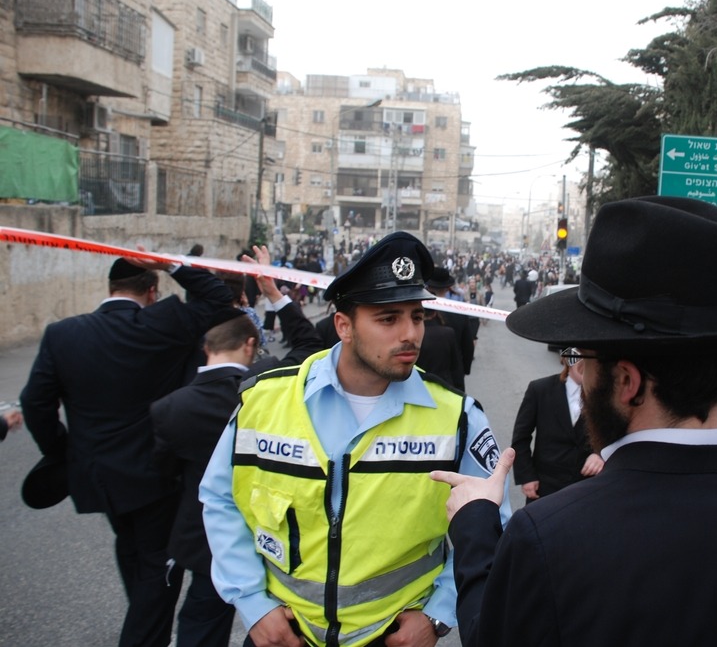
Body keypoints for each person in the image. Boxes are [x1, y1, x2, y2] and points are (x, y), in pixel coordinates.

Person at [430, 196, 717, 647]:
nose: (582, 375)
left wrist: (476, 524)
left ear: (627, 381)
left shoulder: (549, 538)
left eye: (586, 361)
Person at [200, 231, 511, 647]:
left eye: (416, 316)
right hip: (284, 635)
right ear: (343, 326)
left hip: (393, 639)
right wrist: (254, 604)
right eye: (389, 319)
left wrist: (438, 615)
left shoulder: (457, 418)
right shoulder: (265, 401)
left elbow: (496, 528)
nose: (410, 334)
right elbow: (220, 499)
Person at [20, 255, 233, 647]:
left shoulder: (62, 334)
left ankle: (145, 624)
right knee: (156, 564)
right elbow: (219, 298)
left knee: (133, 550)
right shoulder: (162, 323)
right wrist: (171, 265)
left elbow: (35, 402)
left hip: (97, 477)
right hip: (155, 474)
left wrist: (61, 450)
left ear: (109, 290)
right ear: (151, 291)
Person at [150, 246, 323, 647]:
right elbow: (309, 346)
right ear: (249, 345)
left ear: (205, 348)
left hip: (205, 535)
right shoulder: (265, 385)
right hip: (273, 530)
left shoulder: (169, 407)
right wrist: (275, 294)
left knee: (201, 617)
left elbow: (165, 472)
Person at [510, 350, 602, 502]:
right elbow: (521, 437)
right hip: (545, 487)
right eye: (580, 355)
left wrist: (600, 455)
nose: (586, 363)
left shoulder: (604, 395)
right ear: (568, 359)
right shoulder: (540, 389)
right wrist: (527, 476)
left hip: (586, 489)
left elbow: (617, 433)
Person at [425, 266, 475, 377]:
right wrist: (464, 369)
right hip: (453, 371)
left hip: (425, 370)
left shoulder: (421, 311)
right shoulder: (460, 312)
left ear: (428, 287)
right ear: (448, 288)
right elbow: (468, 346)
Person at [418, 308, 465, 390]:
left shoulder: (415, 335)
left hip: (420, 384)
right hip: (444, 384)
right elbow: (455, 365)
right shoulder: (448, 333)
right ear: (435, 313)